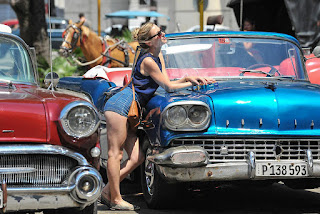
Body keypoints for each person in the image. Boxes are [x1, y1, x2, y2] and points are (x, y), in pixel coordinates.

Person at [100, 22, 214, 211]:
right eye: (158, 34)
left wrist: (188, 79)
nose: (162, 34)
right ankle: (115, 199)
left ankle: (106, 191)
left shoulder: (157, 56)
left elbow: (167, 82)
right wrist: (189, 83)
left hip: (131, 108)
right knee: (115, 153)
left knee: (137, 157)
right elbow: (168, 87)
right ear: (148, 42)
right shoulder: (148, 61)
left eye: (161, 31)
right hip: (120, 105)